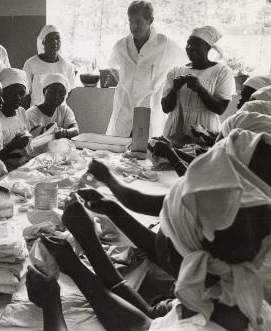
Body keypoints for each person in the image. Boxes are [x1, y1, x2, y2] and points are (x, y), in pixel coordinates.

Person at [28, 129, 271, 330]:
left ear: (173, 255)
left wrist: (51, 301)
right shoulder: (234, 296)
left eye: (164, 225)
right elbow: (145, 325)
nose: (156, 235)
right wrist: (81, 255)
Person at [105, 1, 185, 138]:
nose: (133, 26)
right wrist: (124, 82)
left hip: (150, 106)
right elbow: (112, 65)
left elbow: (184, 66)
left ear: (150, 20)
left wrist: (168, 88)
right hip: (125, 104)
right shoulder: (121, 45)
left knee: (146, 149)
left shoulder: (165, 45)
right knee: (118, 147)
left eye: (138, 21)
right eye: (130, 21)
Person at [162, 26, 235, 144]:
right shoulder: (175, 71)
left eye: (197, 44)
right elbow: (165, 108)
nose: (190, 48)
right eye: (188, 43)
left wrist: (200, 89)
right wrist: (174, 89)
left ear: (208, 47)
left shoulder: (221, 71)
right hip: (175, 127)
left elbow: (220, 109)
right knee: (172, 159)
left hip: (204, 130)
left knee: (200, 159)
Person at [23, 25, 76, 107]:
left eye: (58, 39)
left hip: (59, 113)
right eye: (51, 39)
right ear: (43, 42)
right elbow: (26, 93)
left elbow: (69, 90)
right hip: (37, 112)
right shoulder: (31, 63)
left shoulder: (67, 65)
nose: (55, 42)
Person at [26, 73, 79, 139]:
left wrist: (64, 132)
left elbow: (75, 130)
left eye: (61, 93)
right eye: (52, 92)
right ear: (44, 91)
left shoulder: (64, 109)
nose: (56, 96)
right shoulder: (31, 113)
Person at [0, 67, 32, 143]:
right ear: (1, 93)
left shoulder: (21, 111)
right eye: (12, 92)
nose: (18, 97)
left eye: (21, 93)